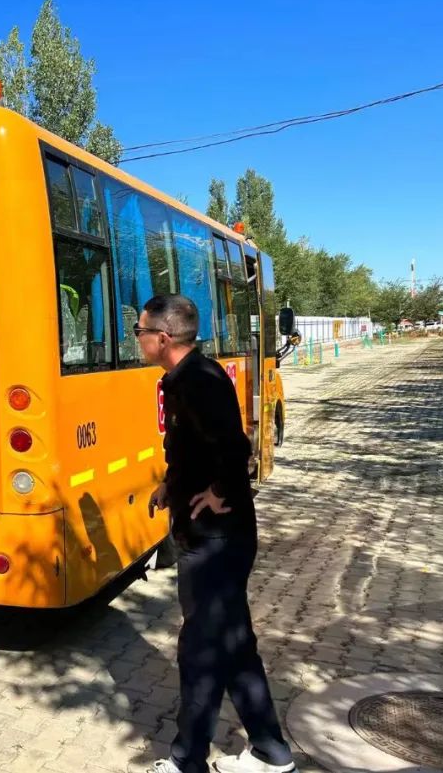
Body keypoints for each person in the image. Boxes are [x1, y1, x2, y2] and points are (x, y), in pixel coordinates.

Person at [138, 295, 296, 773]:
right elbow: (196, 444)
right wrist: (173, 481)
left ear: (162, 339)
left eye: (141, 331)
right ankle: (270, 751)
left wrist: (220, 491)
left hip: (215, 540)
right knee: (232, 642)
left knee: (201, 649)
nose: (138, 338)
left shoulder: (199, 382)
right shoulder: (186, 378)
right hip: (212, 534)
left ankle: (188, 760)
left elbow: (234, 445)